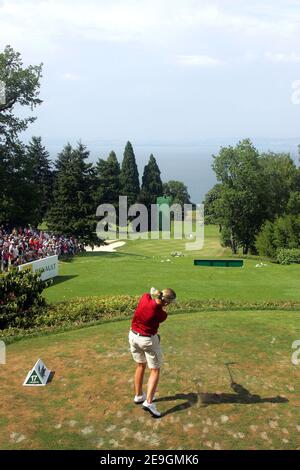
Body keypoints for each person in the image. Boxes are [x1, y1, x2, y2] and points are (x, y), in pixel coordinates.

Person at [128, 287, 176, 418]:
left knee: (140, 365)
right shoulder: (162, 314)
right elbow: (161, 312)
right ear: (166, 303)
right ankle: (148, 402)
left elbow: (149, 294)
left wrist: (156, 293)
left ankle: (138, 395)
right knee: (155, 370)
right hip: (148, 340)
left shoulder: (144, 298)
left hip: (133, 336)